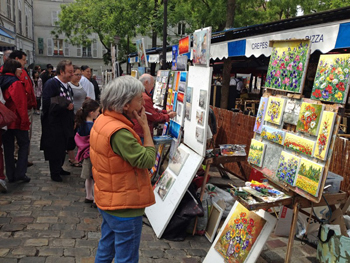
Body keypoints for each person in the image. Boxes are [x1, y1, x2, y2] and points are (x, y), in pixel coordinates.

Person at [90, 76, 156, 263]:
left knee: (106, 248)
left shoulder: (103, 119)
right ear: (126, 105)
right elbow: (147, 160)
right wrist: (146, 128)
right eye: (139, 99)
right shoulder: (119, 131)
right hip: (124, 205)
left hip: (109, 198)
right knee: (126, 258)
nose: (143, 103)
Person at [40, 60, 74, 182]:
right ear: (61, 71)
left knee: (62, 146)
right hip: (54, 123)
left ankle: (59, 167)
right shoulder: (52, 84)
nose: (72, 74)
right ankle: (54, 171)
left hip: (65, 122)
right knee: (55, 147)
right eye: (69, 72)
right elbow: (48, 103)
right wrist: (65, 105)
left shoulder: (68, 85)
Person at [0, 59, 31, 184]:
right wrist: (25, 122)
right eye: (20, 69)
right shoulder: (16, 83)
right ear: (14, 69)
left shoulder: (1, 80)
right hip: (16, 120)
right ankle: (20, 173)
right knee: (24, 145)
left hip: (5, 120)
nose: (21, 71)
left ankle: (11, 174)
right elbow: (20, 105)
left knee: (8, 148)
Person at [9, 50, 36, 167]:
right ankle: (18, 158)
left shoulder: (23, 71)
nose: (25, 62)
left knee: (26, 136)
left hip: (27, 107)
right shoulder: (15, 74)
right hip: (22, 109)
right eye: (23, 60)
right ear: (16, 59)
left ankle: (22, 157)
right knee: (21, 136)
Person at [133, 73, 176, 139]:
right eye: (152, 84)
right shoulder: (144, 97)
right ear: (146, 82)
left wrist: (164, 112)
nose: (153, 87)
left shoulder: (137, 92)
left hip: (138, 131)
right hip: (141, 133)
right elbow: (153, 116)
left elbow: (150, 110)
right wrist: (168, 116)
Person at [74, 99, 100, 204]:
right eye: (98, 111)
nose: (99, 113)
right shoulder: (91, 126)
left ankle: (88, 196)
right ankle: (95, 199)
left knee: (88, 177)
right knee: (95, 177)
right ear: (91, 112)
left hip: (85, 153)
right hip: (92, 153)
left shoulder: (81, 123)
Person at [66, 65, 87, 167]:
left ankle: (79, 155)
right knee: (72, 136)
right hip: (73, 114)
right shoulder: (68, 85)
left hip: (81, 114)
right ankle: (72, 158)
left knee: (81, 136)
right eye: (77, 74)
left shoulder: (79, 84)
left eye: (80, 74)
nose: (79, 76)